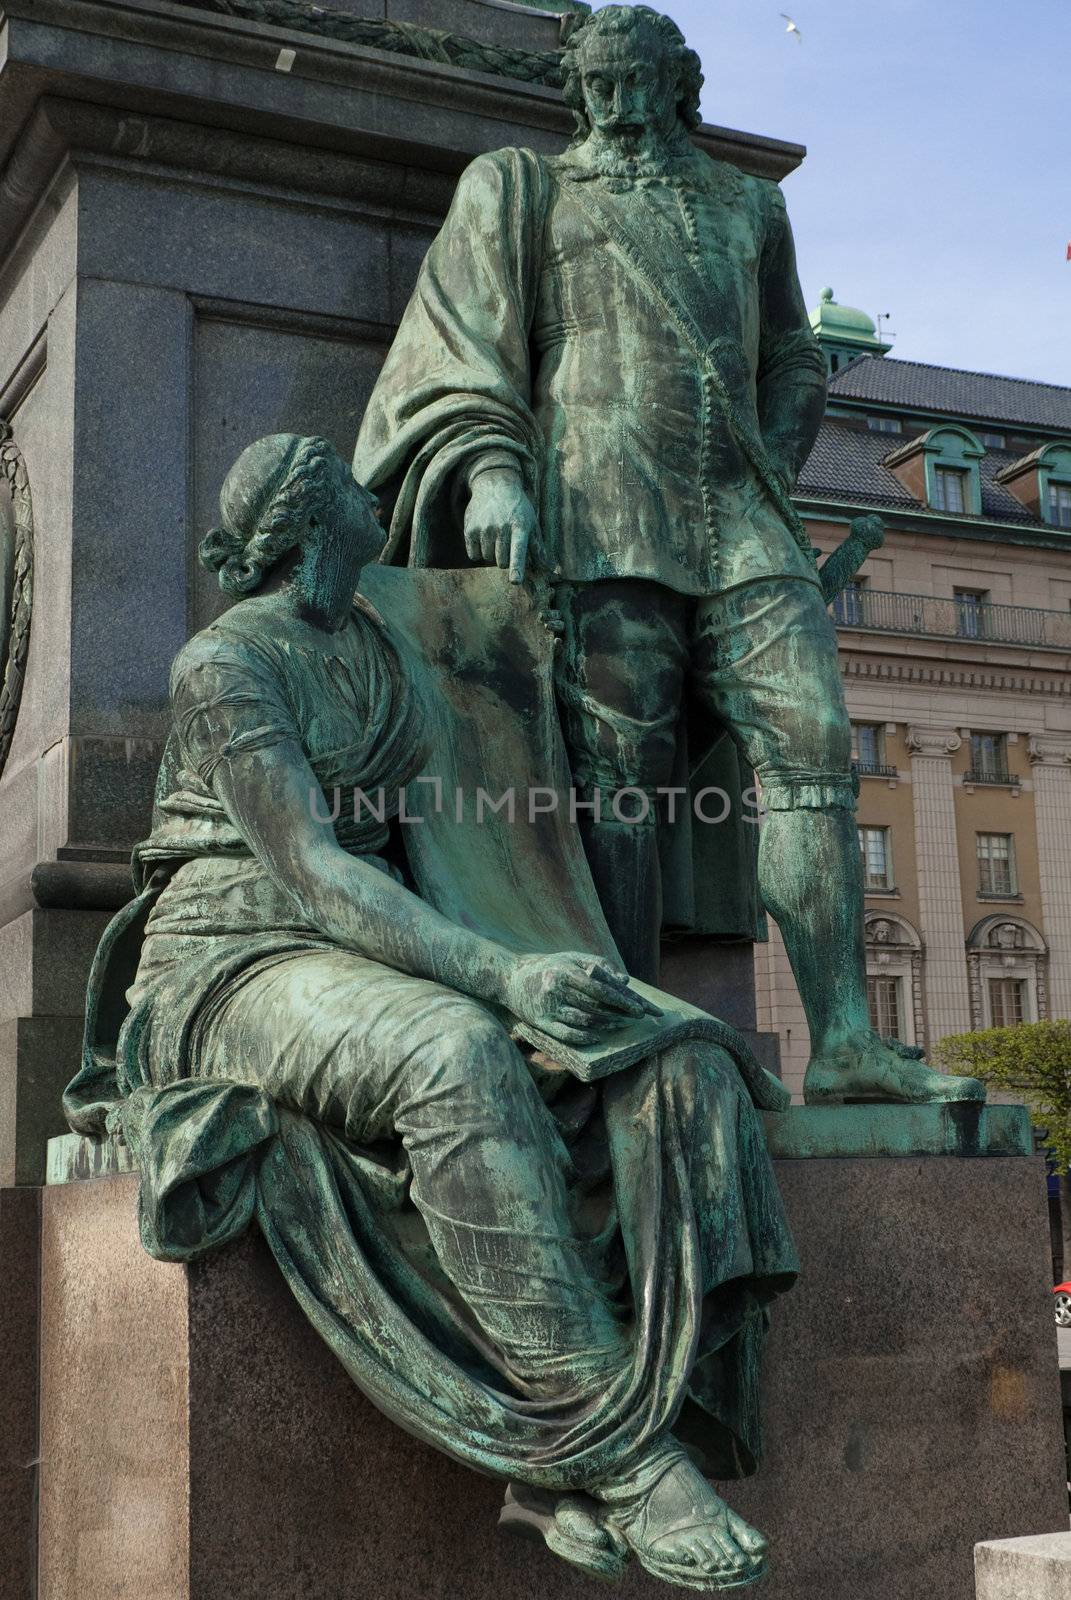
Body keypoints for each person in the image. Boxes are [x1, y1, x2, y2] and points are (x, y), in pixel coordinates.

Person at [65, 433, 800, 1593]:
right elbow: (312, 862)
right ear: (314, 526)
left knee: (663, 1061)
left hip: (384, 945)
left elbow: (477, 816)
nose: (378, 498)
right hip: (230, 962)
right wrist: (503, 981)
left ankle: (561, 1454)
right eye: (355, 488)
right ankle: (623, 1452)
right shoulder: (222, 662)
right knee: (451, 1053)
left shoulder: (381, 645)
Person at [354, 4, 984, 1109]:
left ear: (679, 87)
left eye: (641, 82)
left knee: (815, 746)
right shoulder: (525, 187)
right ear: (578, 92)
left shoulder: (750, 204)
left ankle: (843, 1039)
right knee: (619, 780)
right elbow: (462, 346)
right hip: (600, 511)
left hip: (740, 515)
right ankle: (630, 1027)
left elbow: (792, 354)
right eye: (601, 85)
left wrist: (779, 460)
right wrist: (494, 468)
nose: (620, 104)